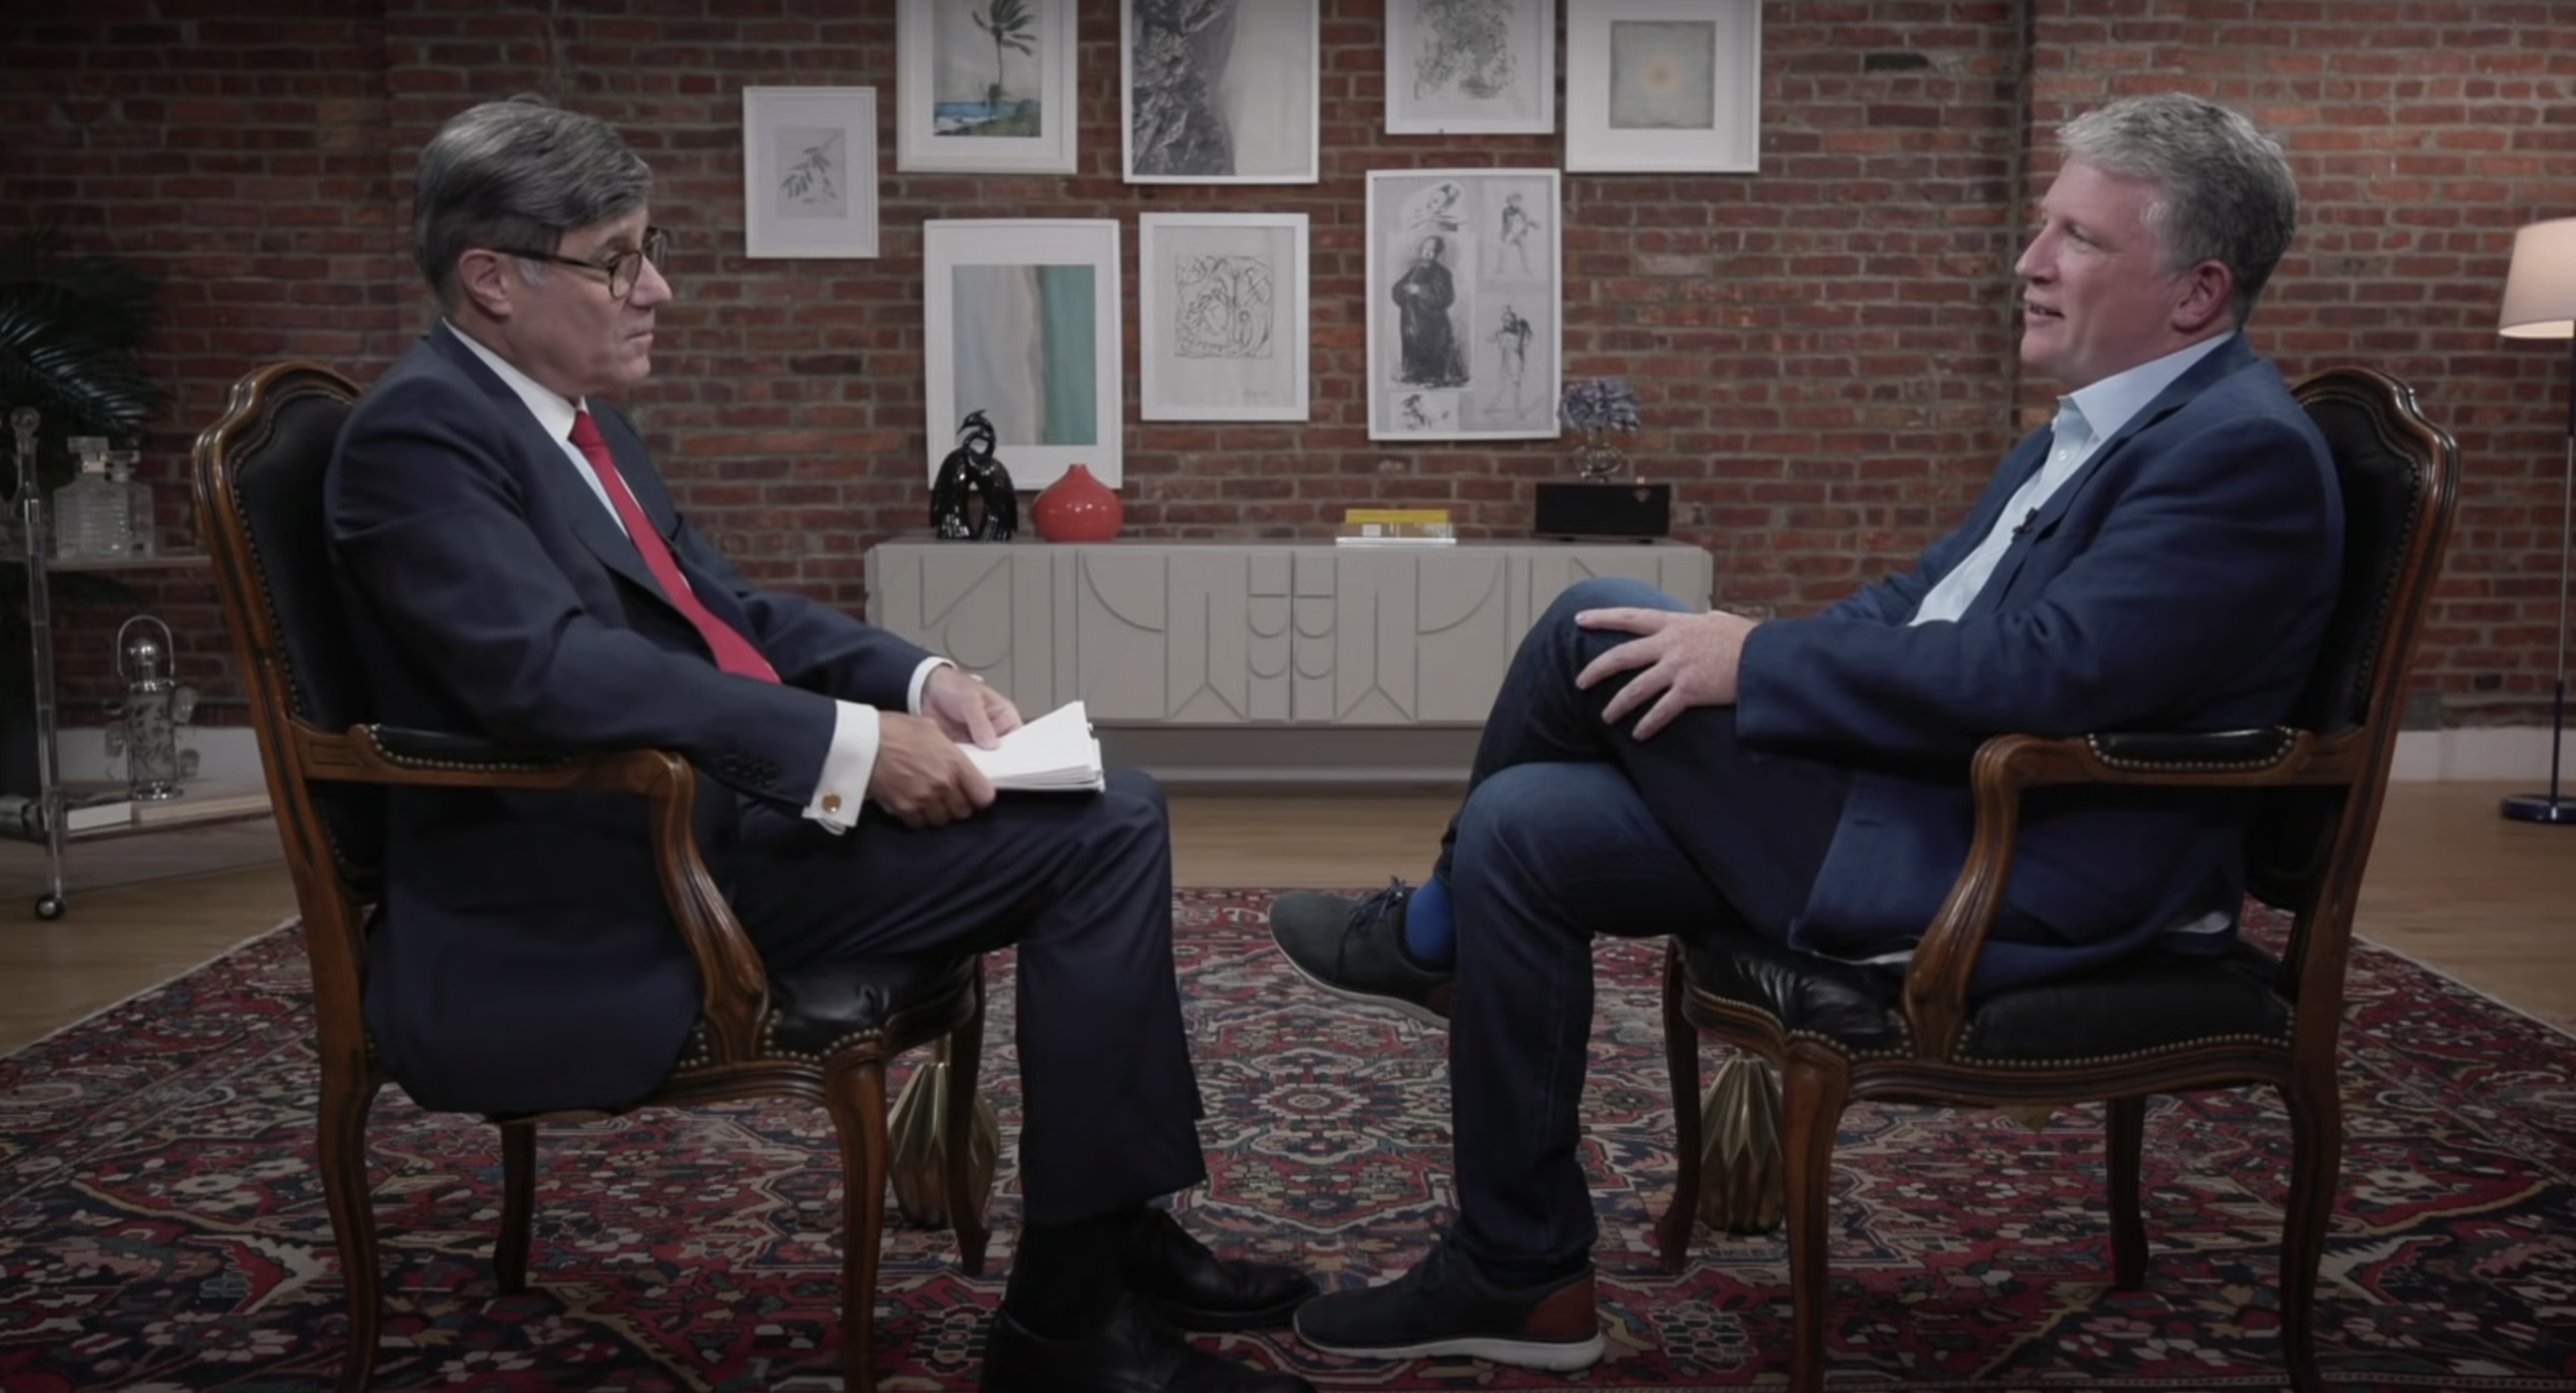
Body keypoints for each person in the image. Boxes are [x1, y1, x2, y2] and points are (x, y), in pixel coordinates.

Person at [1269, 92, 2339, 1373]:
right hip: (1932, 805)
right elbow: (1921, 605)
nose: (2031, 260)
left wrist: (1758, 662)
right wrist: (1747, 646)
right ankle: (1522, 1272)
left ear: (2198, 291)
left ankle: (1426, 940)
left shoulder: (2239, 452)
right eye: (2043, 225)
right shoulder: (2093, 429)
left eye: (2079, 238)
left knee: (1586, 621)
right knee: (1522, 824)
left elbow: (2049, 674)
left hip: (2022, 867)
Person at [328, 98, 1315, 1393]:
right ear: (493, 279)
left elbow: (727, 613)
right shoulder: (418, 437)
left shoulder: (574, 421)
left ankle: (1108, 1240)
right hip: (607, 876)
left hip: (711, 818)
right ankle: (1069, 1320)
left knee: (1113, 810)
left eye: (650, 249)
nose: (657, 289)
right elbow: (547, 674)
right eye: (617, 259)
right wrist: (850, 745)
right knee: (1106, 832)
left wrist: (921, 679)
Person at [1391, 235, 1465, 388]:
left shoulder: (1442, 273)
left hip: (1432, 323)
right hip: (1412, 321)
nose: (1428, 252)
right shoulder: (1415, 270)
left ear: (1437, 253)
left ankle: (1434, 378)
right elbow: (1397, 290)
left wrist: (1420, 290)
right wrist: (1404, 290)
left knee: (1433, 349)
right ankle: (1413, 375)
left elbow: (1445, 298)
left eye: (1432, 250)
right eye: (1425, 248)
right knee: (1413, 348)